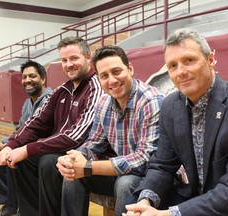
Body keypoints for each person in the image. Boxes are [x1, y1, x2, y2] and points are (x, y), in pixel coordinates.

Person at [123, 28, 228, 216]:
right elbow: (162, 166)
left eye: (189, 60)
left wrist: (166, 214)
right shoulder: (170, 105)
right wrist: (145, 202)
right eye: (172, 65)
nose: (181, 72)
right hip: (194, 196)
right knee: (131, 205)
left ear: (211, 60)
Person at [0, 37, 103, 216]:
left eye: (74, 58)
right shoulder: (61, 90)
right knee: (22, 160)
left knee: (47, 161)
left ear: (88, 58)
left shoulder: (96, 87)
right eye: (64, 60)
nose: (69, 64)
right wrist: (11, 145)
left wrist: (28, 149)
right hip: (59, 150)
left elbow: (76, 136)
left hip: (86, 153)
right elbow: (35, 122)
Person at [56, 45, 165, 216]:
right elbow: (94, 143)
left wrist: (88, 167)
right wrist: (75, 157)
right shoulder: (104, 102)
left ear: (130, 69)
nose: (112, 80)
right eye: (104, 76)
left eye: (117, 71)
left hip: (154, 177)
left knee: (125, 183)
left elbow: (145, 159)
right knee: (72, 175)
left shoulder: (150, 101)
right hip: (124, 172)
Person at [0, 60, 52, 216]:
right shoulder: (27, 104)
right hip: (27, 144)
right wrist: (2, 143)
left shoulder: (51, 99)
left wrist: (8, 146)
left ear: (43, 79)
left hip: (45, 147)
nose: (27, 80)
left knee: (12, 154)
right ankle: (7, 204)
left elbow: (41, 133)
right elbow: (20, 131)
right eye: (24, 77)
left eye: (32, 76)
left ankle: (13, 206)